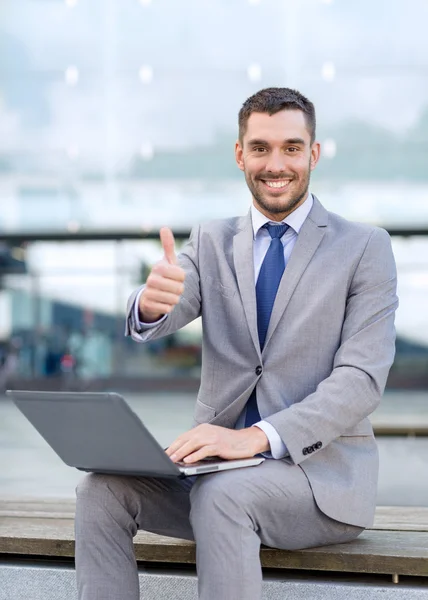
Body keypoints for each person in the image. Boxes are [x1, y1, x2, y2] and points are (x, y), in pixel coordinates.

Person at [74, 87, 398, 600]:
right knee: (101, 490)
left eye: (291, 147)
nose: (276, 163)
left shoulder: (364, 248)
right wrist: (152, 303)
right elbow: (170, 299)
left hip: (319, 484)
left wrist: (258, 437)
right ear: (239, 154)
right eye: (261, 147)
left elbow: (360, 382)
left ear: (313, 154)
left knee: (224, 494)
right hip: (215, 475)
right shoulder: (210, 240)